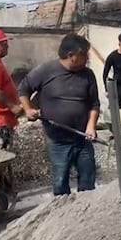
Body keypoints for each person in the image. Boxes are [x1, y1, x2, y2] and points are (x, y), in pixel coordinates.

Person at [18, 34, 100, 196]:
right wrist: (28, 109)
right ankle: (63, 213)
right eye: (84, 54)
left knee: (88, 178)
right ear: (71, 56)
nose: (87, 58)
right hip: (58, 140)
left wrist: (91, 126)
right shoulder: (46, 71)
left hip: (83, 138)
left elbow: (94, 104)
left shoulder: (88, 75)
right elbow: (24, 89)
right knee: (60, 181)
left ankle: (87, 212)